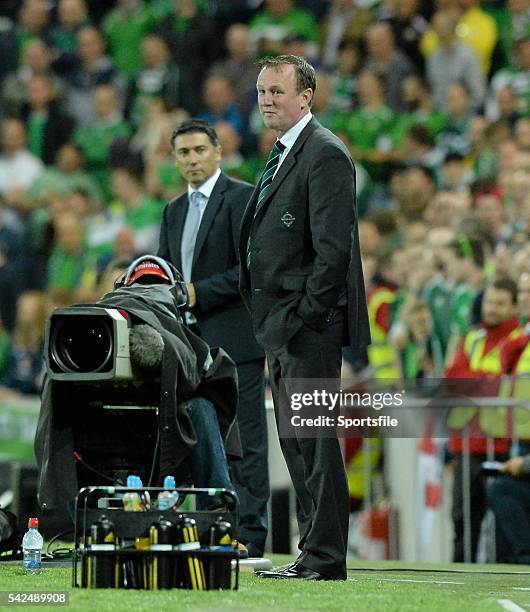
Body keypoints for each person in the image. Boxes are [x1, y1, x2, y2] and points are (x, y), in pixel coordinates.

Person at [239, 55, 370, 580]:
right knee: (297, 440)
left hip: (306, 327)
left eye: (277, 91)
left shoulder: (325, 154)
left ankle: (325, 557)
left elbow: (333, 252)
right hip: (282, 324)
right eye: (261, 91)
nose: (267, 100)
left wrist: (304, 317)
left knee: (314, 440)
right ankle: (311, 552)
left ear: (306, 95)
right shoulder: (287, 151)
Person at [157, 119, 268, 557]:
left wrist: (197, 292)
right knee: (200, 439)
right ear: (175, 159)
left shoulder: (242, 198)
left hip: (235, 343)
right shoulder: (172, 211)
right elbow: (168, 273)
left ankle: (252, 536)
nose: (192, 159)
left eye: (200, 150)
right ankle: (210, 528)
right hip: (188, 348)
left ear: (218, 152)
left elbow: (250, 269)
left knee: (248, 442)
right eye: (184, 153)